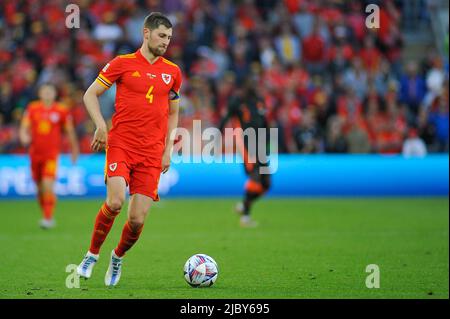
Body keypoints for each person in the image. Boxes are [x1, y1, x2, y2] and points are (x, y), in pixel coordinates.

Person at [76, 12, 182, 287]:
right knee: (114, 202)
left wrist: (167, 149)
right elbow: (90, 94)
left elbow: (173, 113)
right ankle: (92, 254)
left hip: (152, 152)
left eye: (169, 38)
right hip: (122, 143)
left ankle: (117, 256)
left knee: (136, 220)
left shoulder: (173, 72)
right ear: (146, 33)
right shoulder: (122, 64)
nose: (165, 42)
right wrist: (100, 125)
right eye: (161, 36)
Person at [19, 83, 79, 229]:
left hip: (51, 155)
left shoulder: (61, 110)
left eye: (50, 91)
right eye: (44, 91)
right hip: (35, 154)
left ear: (54, 94)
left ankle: (48, 217)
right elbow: (24, 127)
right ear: (40, 93)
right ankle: (46, 213)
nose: (47, 94)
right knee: (39, 189)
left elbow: (70, 132)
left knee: (47, 185)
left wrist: (74, 149)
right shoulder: (32, 108)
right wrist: (24, 137)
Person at [219, 79, 271, 228]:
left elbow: (265, 122)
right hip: (246, 143)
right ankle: (246, 216)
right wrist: (217, 135)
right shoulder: (237, 101)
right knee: (255, 176)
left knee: (266, 184)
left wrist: (269, 140)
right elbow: (226, 118)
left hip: (261, 145)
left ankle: (244, 205)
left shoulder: (260, 102)